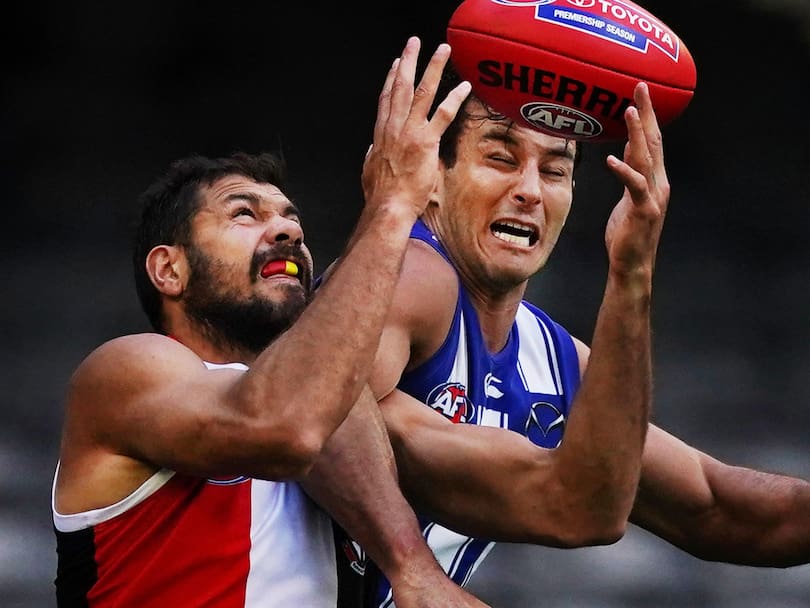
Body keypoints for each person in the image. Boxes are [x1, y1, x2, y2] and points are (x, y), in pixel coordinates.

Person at [50, 37, 491, 608]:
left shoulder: (344, 407)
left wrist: (629, 274)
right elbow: (284, 427)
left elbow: (570, 507)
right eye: (243, 213)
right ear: (169, 269)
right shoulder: (129, 370)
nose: (288, 233)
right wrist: (391, 207)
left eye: (291, 218)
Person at [355, 64, 810, 606]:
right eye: (501, 158)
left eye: (554, 171)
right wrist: (411, 568)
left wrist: (633, 272)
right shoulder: (412, 273)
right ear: (432, 178)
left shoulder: (554, 359)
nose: (528, 190)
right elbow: (323, 414)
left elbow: (714, 508)